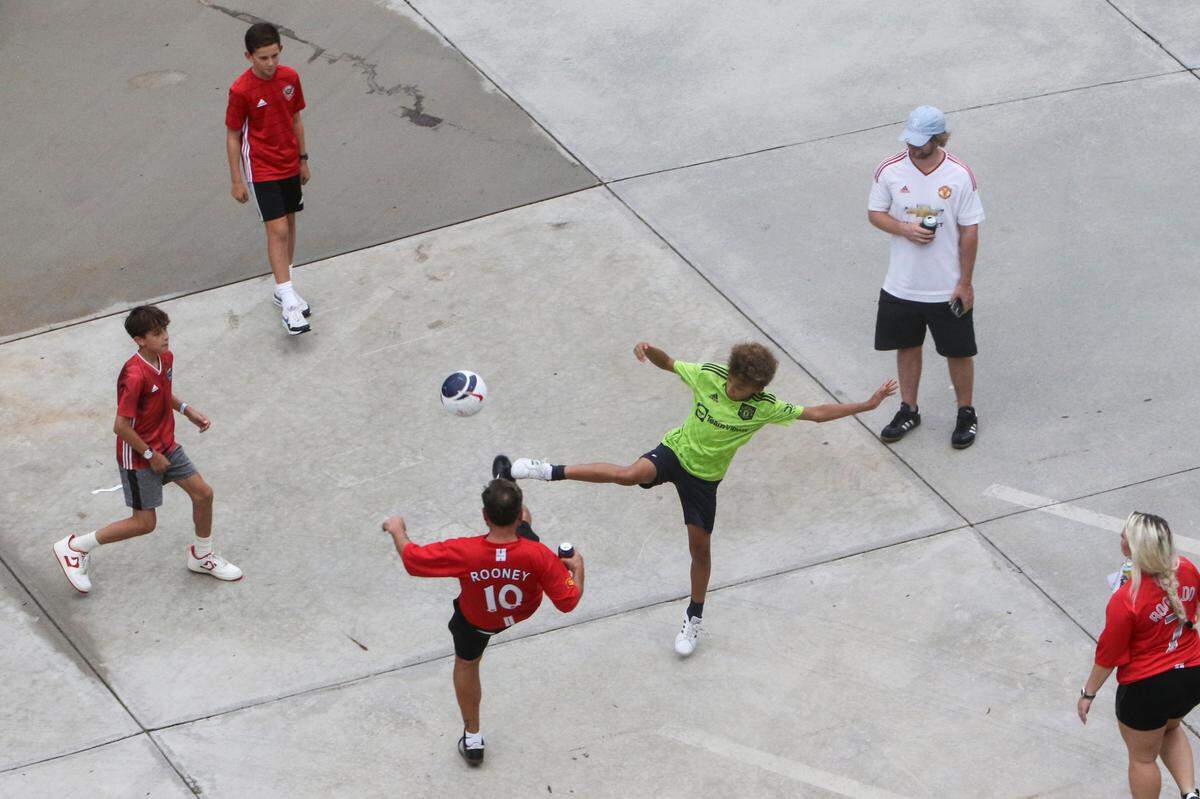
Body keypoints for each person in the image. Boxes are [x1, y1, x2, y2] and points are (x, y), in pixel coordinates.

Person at [505, 341, 895, 657]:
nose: (736, 391)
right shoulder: (709, 376)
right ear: (732, 372)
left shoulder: (763, 407)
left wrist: (867, 404)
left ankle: (694, 617)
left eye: (745, 390)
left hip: (704, 482)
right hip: (675, 452)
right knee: (629, 474)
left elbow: (817, 413)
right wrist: (647, 349)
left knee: (700, 552)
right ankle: (547, 470)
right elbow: (670, 363)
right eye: (737, 384)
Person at [382, 466, 584, 766]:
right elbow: (568, 601)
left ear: (484, 516)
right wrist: (577, 566)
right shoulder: (538, 554)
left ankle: (473, 738)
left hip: (476, 622)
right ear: (516, 515)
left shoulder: (465, 551)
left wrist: (397, 528)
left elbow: (412, 560)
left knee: (467, 663)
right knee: (529, 531)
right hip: (520, 611)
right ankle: (507, 482)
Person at [52, 306, 242, 594]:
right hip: (140, 457)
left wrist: (186, 410)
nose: (165, 337)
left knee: (203, 494)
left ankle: (202, 556)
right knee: (144, 523)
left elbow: (164, 391)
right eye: (157, 333)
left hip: (166, 446)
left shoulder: (165, 357)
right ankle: (75, 547)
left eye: (165, 330)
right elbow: (121, 426)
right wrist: (151, 456)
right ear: (139, 340)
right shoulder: (133, 375)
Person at [868, 105, 984, 448]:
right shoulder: (889, 170)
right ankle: (909, 409)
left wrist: (964, 282)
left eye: (922, 142)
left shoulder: (960, 175)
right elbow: (875, 214)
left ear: (938, 138)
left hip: (946, 287)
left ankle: (966, 413)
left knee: (958, 352)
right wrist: (904, 228)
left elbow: (970, 231)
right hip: (902, 285)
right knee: (907, 347)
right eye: (911, 141)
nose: (914, 148)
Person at [1077, 512, 1200, 799]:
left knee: (1143, 758)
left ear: (1134, 549)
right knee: (1170, 728)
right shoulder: (1187, 568)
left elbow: (1108, 655)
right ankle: (1190, 794)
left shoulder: (1125, 600)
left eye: (1124, 535)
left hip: (1147, 688)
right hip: (1192, 676)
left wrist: (1088, 693)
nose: (1120, 536)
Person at [225, 22, 312, 336]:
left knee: (288, 224)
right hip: (261, 167)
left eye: (274, 55)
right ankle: (289, 302)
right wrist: (237, 179)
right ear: (249, 56)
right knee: (276, 229)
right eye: (263, 58)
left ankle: (283, 286)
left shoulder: (290, 78)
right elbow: (233, 135)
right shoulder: (241, 90)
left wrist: (303, 159)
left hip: (289, 162)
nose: (270, 63)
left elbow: (296, 119)